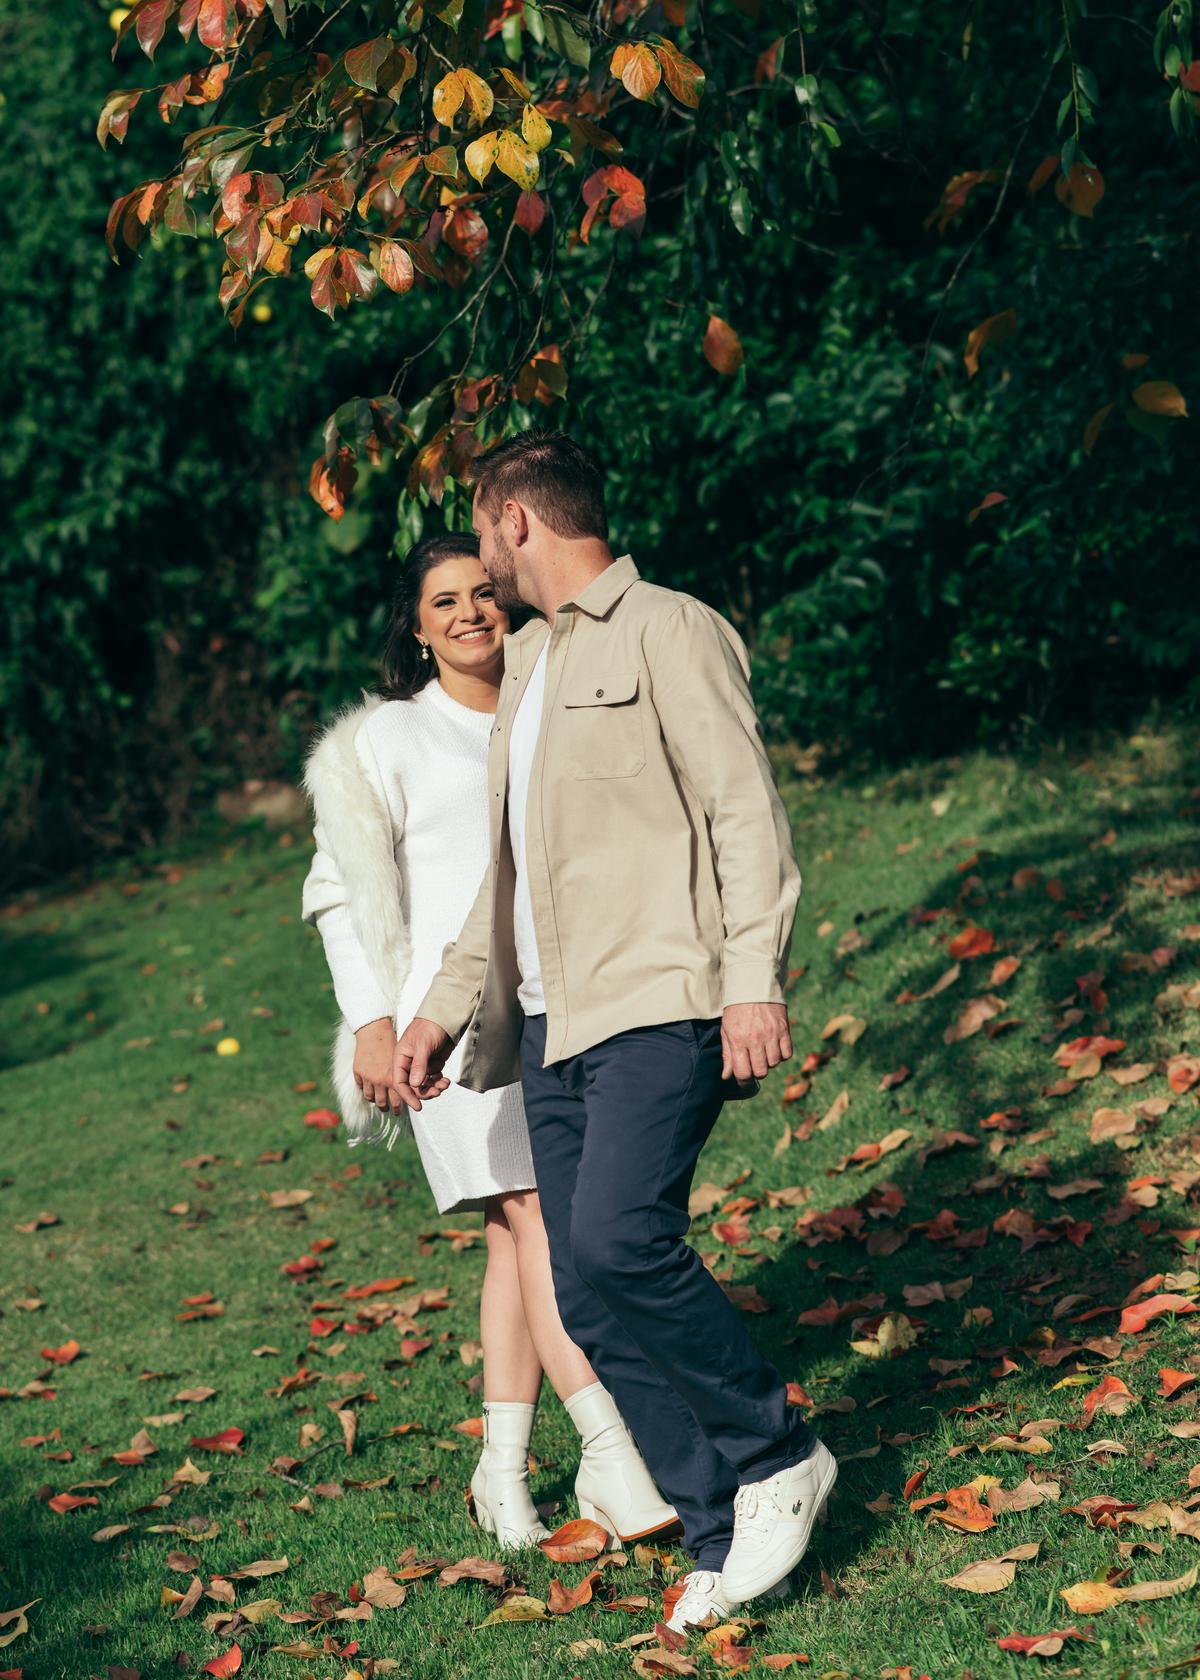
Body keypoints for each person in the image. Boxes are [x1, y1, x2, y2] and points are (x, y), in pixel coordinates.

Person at [390, 432, 837, 1633]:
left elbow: (744, 810)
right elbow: (505, 879)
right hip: (550, 1025)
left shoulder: (670, 629)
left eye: (485, 535)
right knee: (583, 1285)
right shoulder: (529, 666)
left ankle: (777, 1453)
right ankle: (715, 1525)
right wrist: (438, 1015)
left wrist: (755, 979)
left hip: (660, 998)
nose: (484, 562)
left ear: (517, 521)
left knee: (622, 1238)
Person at [300, 532, 677, 1552]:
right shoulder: (384, 742)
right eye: (443, 603)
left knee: (519, 1239)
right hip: (444, 1030)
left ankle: (500, 1471)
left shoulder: (542, 699)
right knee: (538, 1214)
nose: (470, 613)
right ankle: (610, 1448)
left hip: (556, 1004)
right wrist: (374, 1025)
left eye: (482, 593)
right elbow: (336, 893)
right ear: (416, 631)